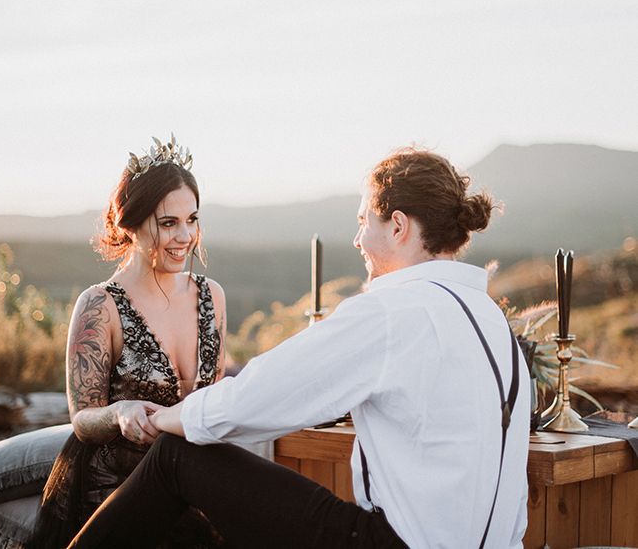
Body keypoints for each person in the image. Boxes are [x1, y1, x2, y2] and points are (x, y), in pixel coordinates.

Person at [67, 147, 530, 549]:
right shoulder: (491, 321)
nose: (357, 239)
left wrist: (165, 418)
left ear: (399, 227)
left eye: (363, 221)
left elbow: (265, 393)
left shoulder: (392, 311)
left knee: (176, 456)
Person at [30, 136, 227, 548]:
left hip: (195, 478)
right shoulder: (100, 305)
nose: (184, 236)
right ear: (130, 223)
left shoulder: (213, 297)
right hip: (118, 486)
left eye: (192, 220)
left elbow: (215, 396)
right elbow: (82, 419)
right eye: (168, 223)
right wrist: (120, 411)